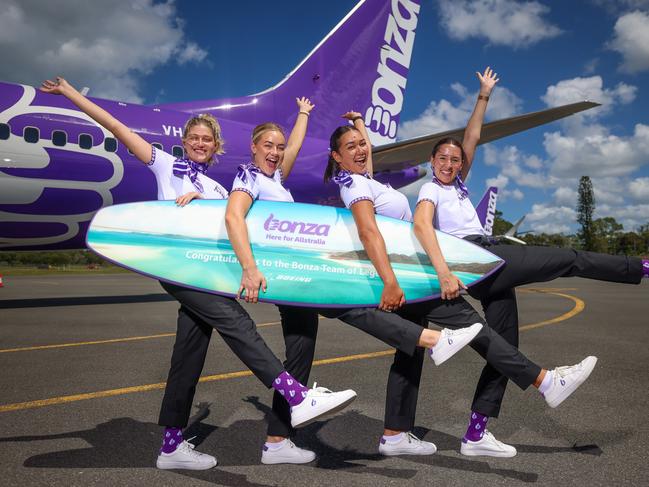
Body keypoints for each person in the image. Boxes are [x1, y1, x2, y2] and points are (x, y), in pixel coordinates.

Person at [39, 77, 358, 471]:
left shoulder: (217, 189)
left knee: (188, 356)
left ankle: (171, 447)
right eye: (196, 137)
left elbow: (242, 210)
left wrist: (303, 117)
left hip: (206, 273)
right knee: (235, 322)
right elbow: (117, 128)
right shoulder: (164, 164)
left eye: (208, 139)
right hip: (178, 265)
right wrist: (72, 93)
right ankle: (295, 394)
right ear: (186, 140)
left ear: (215, 146)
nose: (201, 143)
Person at [324, 105, 598, 459]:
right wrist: (389, 281)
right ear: (337, 156)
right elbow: (367, 230)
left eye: (364, 144)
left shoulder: (366, 179)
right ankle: (545, 381)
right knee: (478, 331)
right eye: (352, 147)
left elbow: (368, 162)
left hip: (411, 273)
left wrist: (360, 124)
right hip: (410, 277)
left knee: (409, 355)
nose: (362, 150)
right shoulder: (353, 185)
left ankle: (394, 434)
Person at [225, 106, 483, 464]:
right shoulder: (249, 176)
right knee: (346, 306)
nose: (276, 151)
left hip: (289, 272)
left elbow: (300, 150)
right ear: (253, 147)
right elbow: (232, 215)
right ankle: (432, 340)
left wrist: (302, 115)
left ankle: (277, 441)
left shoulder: (275, 180)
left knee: (300, 350)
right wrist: (248, 269)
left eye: (280, 146)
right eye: (268, 145)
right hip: (282, 272)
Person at [413, 66, 648, 456]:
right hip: (477, 257)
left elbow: (472, 137)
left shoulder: (458, 184)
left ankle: (475, 433)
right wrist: (443, 271)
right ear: (432, 160)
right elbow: (422, 226)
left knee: (504, 346)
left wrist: (483, 96)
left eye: (455, 160)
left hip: (484, 258)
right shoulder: (430, 189)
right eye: (443, 158)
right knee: (568, 259)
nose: (450, 163)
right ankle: (641, 267)